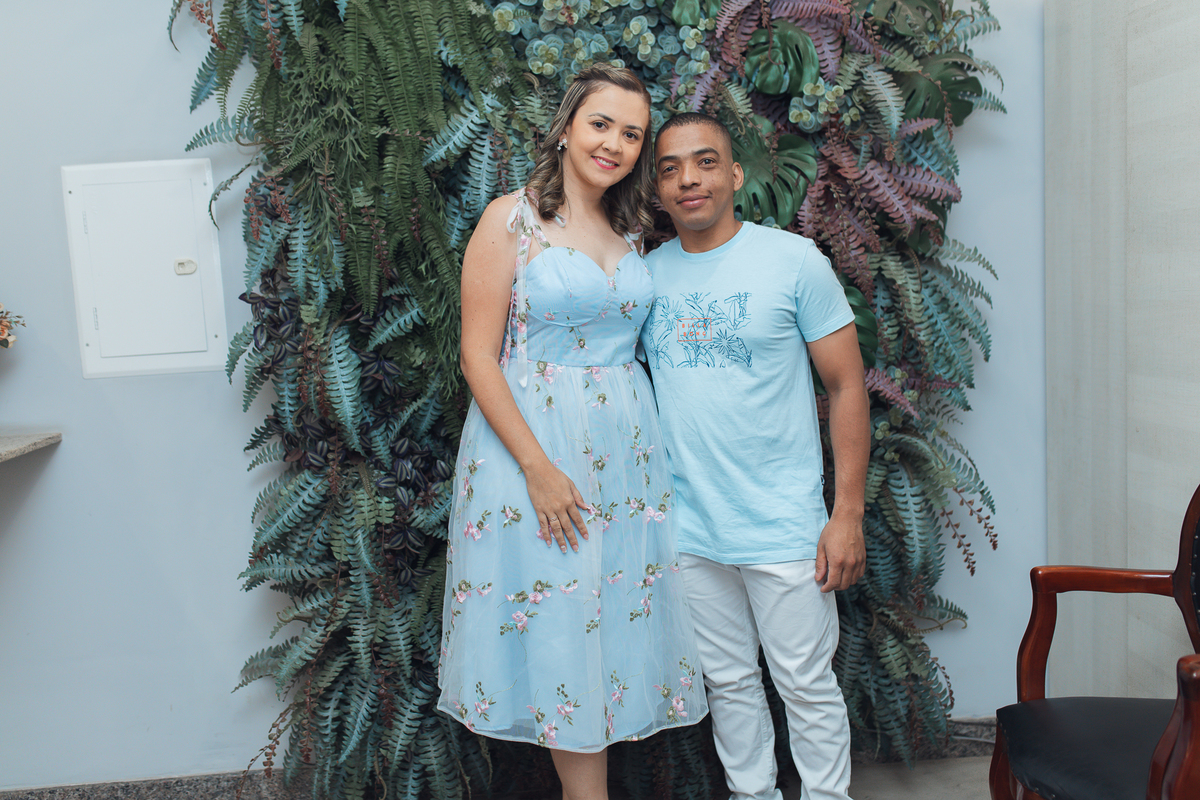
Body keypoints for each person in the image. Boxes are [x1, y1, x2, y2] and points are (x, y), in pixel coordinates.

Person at [437, 65, 707, 800]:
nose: (614, 143)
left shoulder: (630, 228)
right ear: (565, 129)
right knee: (560, 620)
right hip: (536, 452)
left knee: (609, 623)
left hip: (625, 458)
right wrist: (538, 468)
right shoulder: (511, 220)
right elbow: (476, 356)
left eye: (632, 134)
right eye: (601, 124)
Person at [640, 112, 869, 800]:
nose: (689, 180)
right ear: (657, 189)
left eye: (706, 162)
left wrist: (847, 514)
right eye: (671, 168)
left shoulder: (794, 262)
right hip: (691, 529)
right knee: (729, 684)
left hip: (784, 525)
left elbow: (846, 385)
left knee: (806, 685)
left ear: (736, 175)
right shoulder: (642, 279)